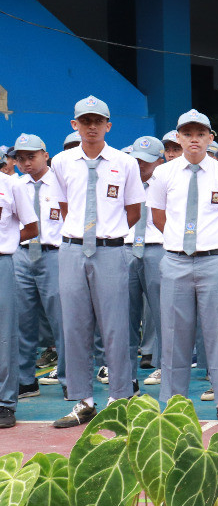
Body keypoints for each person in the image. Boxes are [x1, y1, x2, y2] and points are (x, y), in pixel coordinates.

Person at [46, 96, 146, 427]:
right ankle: (83, 401)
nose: (91, 126)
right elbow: (63, 206)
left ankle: (118, 400)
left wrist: (107, 235)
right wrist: (83, 235)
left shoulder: (125, 163)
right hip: (73, 249)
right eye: (85, 121)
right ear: (74, 125)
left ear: (108, 126)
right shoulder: (61, 162)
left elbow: (133, 210)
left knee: (116, 326)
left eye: (97, 121)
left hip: (111, 251)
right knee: (74, 326)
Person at [147, 111, 218, 422]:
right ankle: (175, 403)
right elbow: (158, 218)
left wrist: (211, 242)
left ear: (210, 138)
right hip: (175, 260)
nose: (193, 138)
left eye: (200, 133)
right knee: (174, 333)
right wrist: (181, 243)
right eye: (187, 133)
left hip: (214, 261)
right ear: (177, 137)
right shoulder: (164, 174)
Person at [11, 135, 66, 399]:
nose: (25, 163)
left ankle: (70, 378)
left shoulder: (61, 183)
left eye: (31, 156)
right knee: (23, 321)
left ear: (46, 155)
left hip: (53, 254)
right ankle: (25, 380)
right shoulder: (15, 185)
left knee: (62, 320)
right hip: (21, 254)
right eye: (20, 158)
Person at [0, 163, 40, 428]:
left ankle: (4, 403)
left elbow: (32, 227)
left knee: (5, 335)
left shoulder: (10, 184)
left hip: (2, 262)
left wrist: (8, 240)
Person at [126, 137, 167, 390]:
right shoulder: (123, 182)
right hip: (126, 248)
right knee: (125, 317)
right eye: (136, 159)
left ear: (159, 161)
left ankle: (166, 368)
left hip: (157, 249)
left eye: (146, 160)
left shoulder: (165, 184)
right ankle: (126, 375)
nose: (140, 164)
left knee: (164, 316)